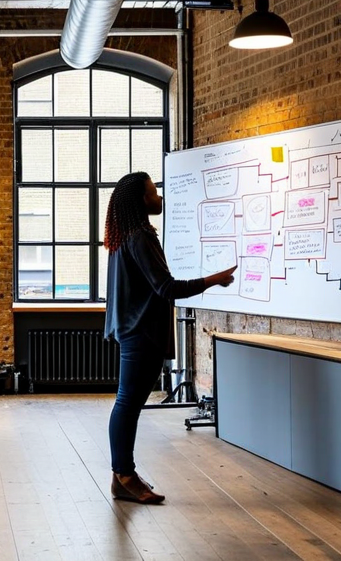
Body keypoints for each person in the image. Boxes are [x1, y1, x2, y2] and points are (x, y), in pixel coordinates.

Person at [104, 171, 236, 504]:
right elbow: (166, 287)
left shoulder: (126, 236)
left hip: (134, 329)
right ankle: (124, 476)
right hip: (141, 332)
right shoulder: (139, 238)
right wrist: (213, 279)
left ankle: (123, 475)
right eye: (153, 193)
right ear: (140, 201)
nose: (159, 198)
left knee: (128, 403)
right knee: (128, 404)